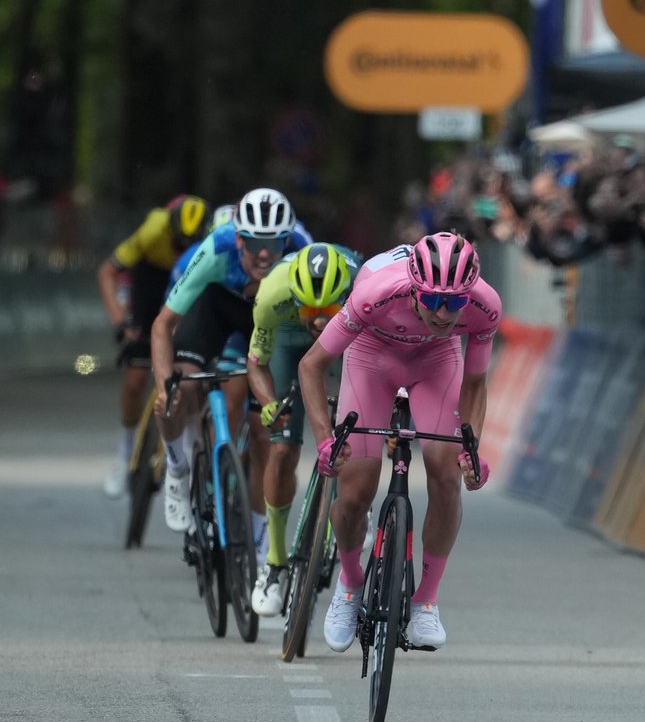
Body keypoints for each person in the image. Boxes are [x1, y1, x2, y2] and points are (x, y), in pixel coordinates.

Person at [298, 232, 500, 653]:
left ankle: (426, 599)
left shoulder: (485, 305)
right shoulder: (374, 292)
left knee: (447, 477)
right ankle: (350, 586)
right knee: (355, 490)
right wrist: (324, 442)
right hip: (372, 357)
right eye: (432, 301)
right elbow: (312, 365)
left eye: (456, 302)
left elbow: (476, 385)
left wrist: (471, 448)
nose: (444, 313)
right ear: (413, 289)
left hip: (437, 362)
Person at [151, 187, 309, 537]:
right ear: (238, 240)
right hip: (217, 307)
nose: (265, 254)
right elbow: (163, 325)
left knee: (264, 433)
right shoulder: (215, 249)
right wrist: (164, 384)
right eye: (254, 244)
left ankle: (256, 536)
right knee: (181, 389)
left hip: (271, 318)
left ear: (288, 239)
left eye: (275, 243)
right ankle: (177, 469)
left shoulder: (303, 250)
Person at [247, 242, 361, 616]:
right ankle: (275, 562)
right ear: (295, 298)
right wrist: (268, 406)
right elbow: (257, 363)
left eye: (328, 310)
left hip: (354, 337)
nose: (318, 321)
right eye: (310, 310)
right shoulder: (272, 296)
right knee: (280, 449)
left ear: (343, 296)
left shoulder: (364, 287)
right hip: (288, 341)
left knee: (360, 432)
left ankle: (360, 507)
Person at [97, 195, 211, 498]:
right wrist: (121, 321)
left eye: (190, 242)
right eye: (178, 242)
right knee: (136, 378)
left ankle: (187, 449)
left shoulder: (209, 244)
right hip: (152, 278)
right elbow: (107, 271)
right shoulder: (153, 230)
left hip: (189, 279)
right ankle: (124, 454)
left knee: (190, 372)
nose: (182, 247)